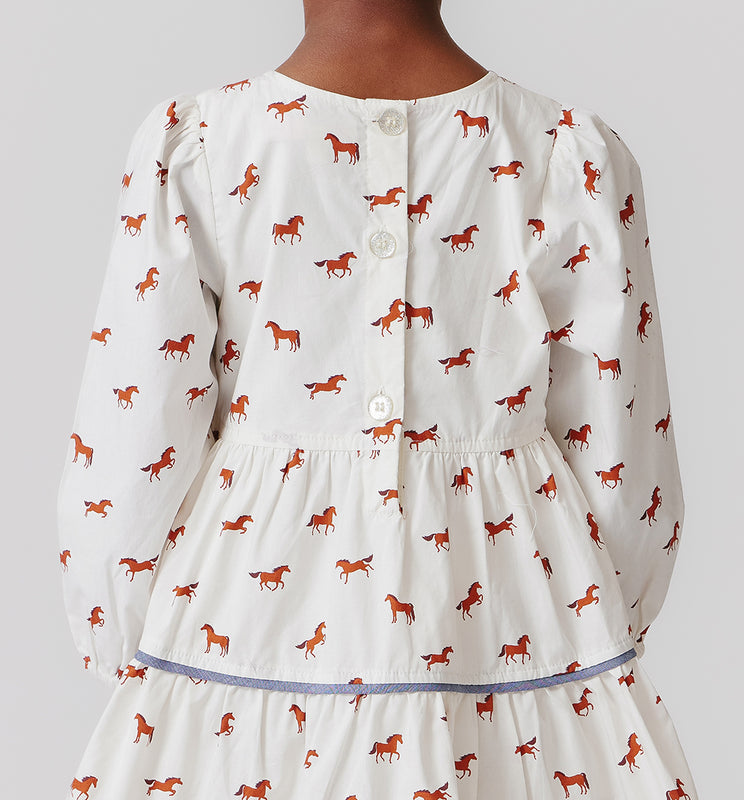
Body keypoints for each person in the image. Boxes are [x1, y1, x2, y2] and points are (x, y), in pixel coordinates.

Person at [56, 1, 701, 797]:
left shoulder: (203, 146)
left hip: (240, 611)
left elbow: (130, 448)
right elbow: (625, 465)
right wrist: (600, 618)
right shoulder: (563, 153)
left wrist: (118, 629)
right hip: (516, 622)